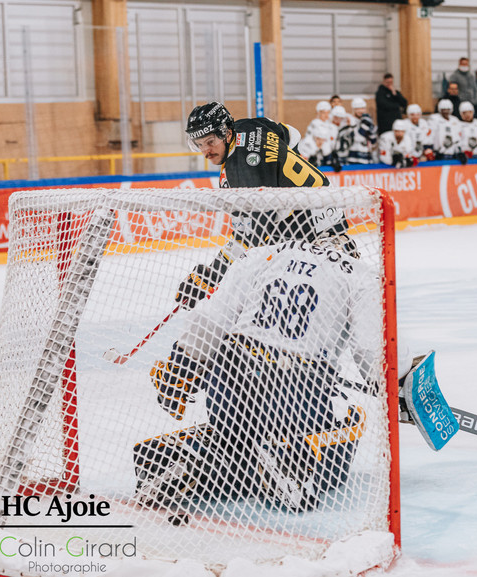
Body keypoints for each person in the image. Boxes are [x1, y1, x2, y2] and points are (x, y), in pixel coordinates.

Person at [137, 235, 399, 512]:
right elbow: (371, 349)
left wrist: (181, 368)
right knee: (346, 413)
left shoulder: (261, 254)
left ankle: (204, 460)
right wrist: (389, 385)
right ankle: (289, 458)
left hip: (230, 384)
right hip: (294, 393)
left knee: (230, 437)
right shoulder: (359, 274)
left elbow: (209, 320)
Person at [180, 101, 356, 311]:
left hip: (308, 226)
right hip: (323, 204)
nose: (205, 151)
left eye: (210, 141)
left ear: (226, 133)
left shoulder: (240, 174)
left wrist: (212, 275)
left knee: (309, 297)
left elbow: (248, 237)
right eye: (199, 144)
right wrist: (283, 170)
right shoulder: (249, 125)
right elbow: (292, 134)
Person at [335, 97, 378, 165]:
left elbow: (373, 142)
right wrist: (364, 126)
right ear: (354, 109)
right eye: (358, 109)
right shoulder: (348, 120)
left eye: (362, 108)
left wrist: (370, 127)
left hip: (367, 157)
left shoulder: (367, 120)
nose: (361, 111)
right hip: (352, 157)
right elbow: (357, 138)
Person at [298, 101, 338, 168]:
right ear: (318, 113)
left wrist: (332, 158)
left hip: (326, 158)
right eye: (323, 113)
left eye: (328, 112)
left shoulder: (331, 127)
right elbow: (309, 143)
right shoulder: (314, 124)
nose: (326, 115)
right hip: (314, 158)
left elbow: (332, 142)